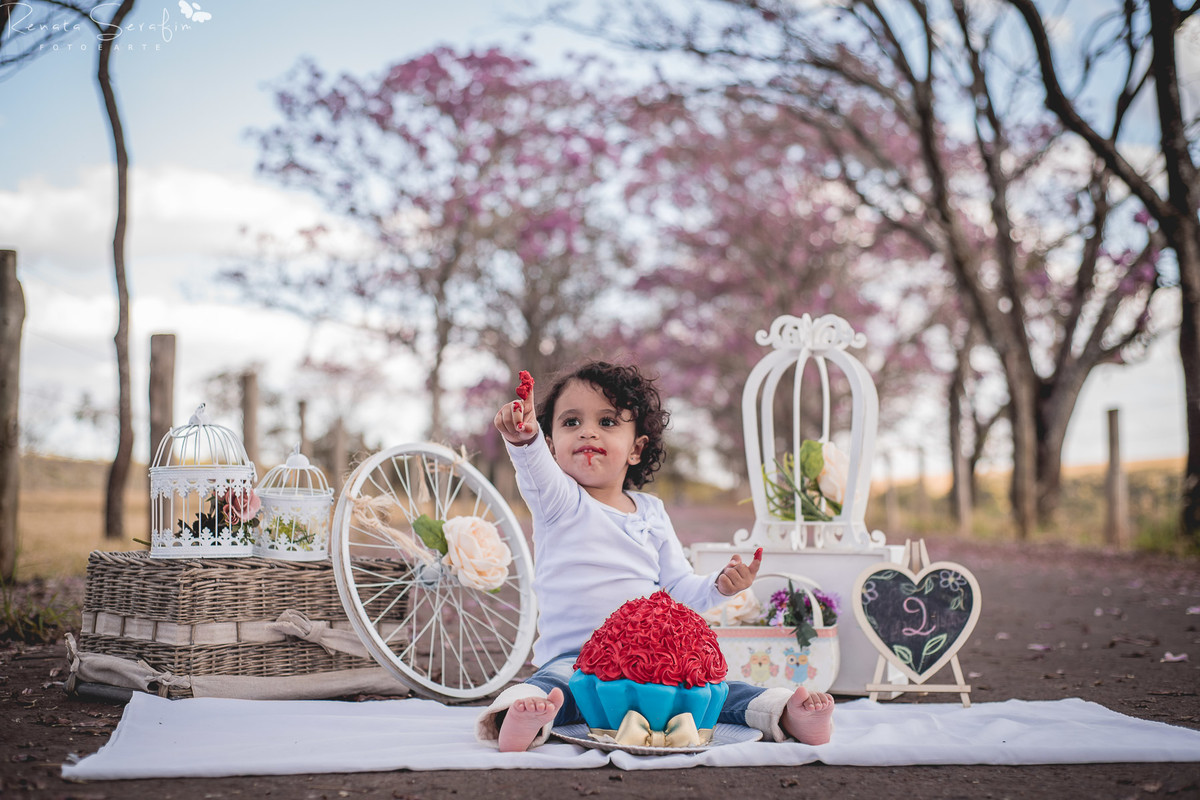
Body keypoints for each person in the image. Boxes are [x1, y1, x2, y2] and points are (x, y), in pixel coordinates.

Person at [475, 361, 834, 751]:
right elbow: (533, 470)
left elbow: (679, 587)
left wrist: (719, 585)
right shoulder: (560, 502)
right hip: (576, 659)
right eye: (571, 422)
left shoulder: (651, 511)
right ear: (551, 445)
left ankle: (782, 712)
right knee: (554, 689)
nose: (588, 431)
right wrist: (523, 439)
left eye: (608, 422)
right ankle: (520, 717)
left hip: (650, 657)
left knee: (712, 691)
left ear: (636, 448)